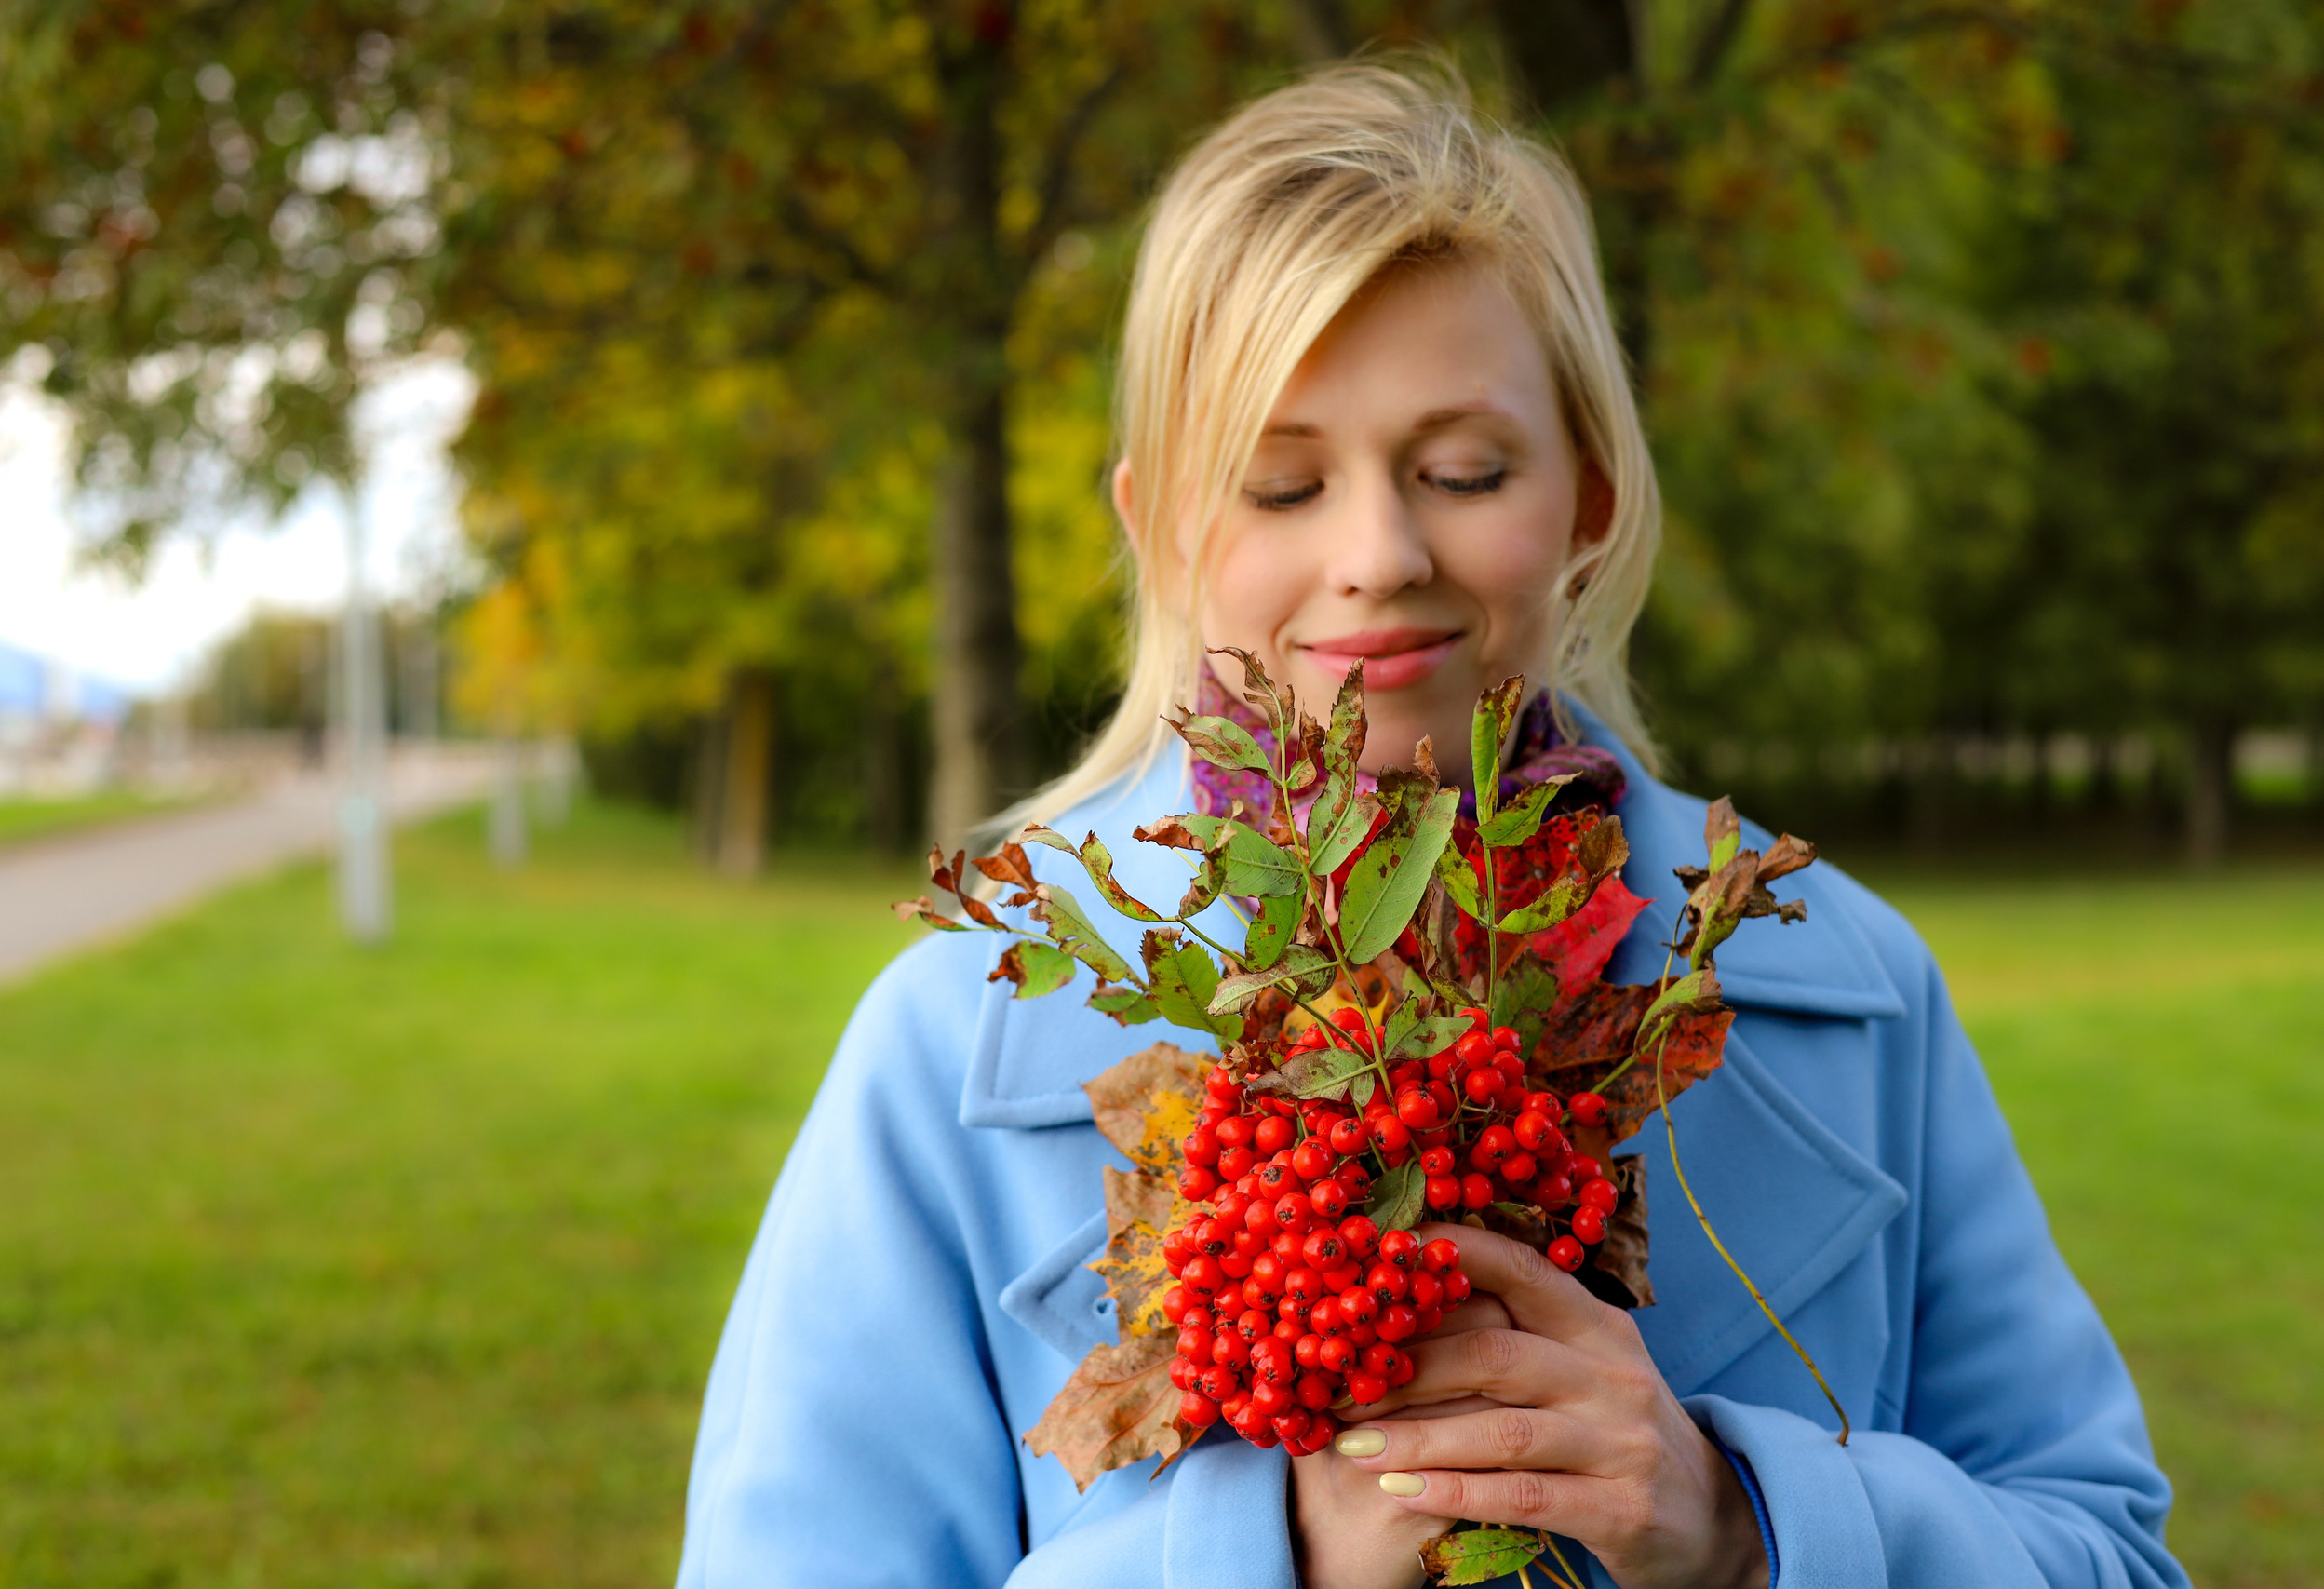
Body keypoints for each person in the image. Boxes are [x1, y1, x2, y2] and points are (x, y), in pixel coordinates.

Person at [675, 62, 2189, 1589]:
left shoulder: (1845, 993)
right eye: (1279, 485)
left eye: (1464, 471)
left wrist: (1747, 1527)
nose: (1378, 554)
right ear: (1156, 528)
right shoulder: (949, 1049)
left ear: (1590, 496)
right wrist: (1264, 1557)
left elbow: (2109, 1551)